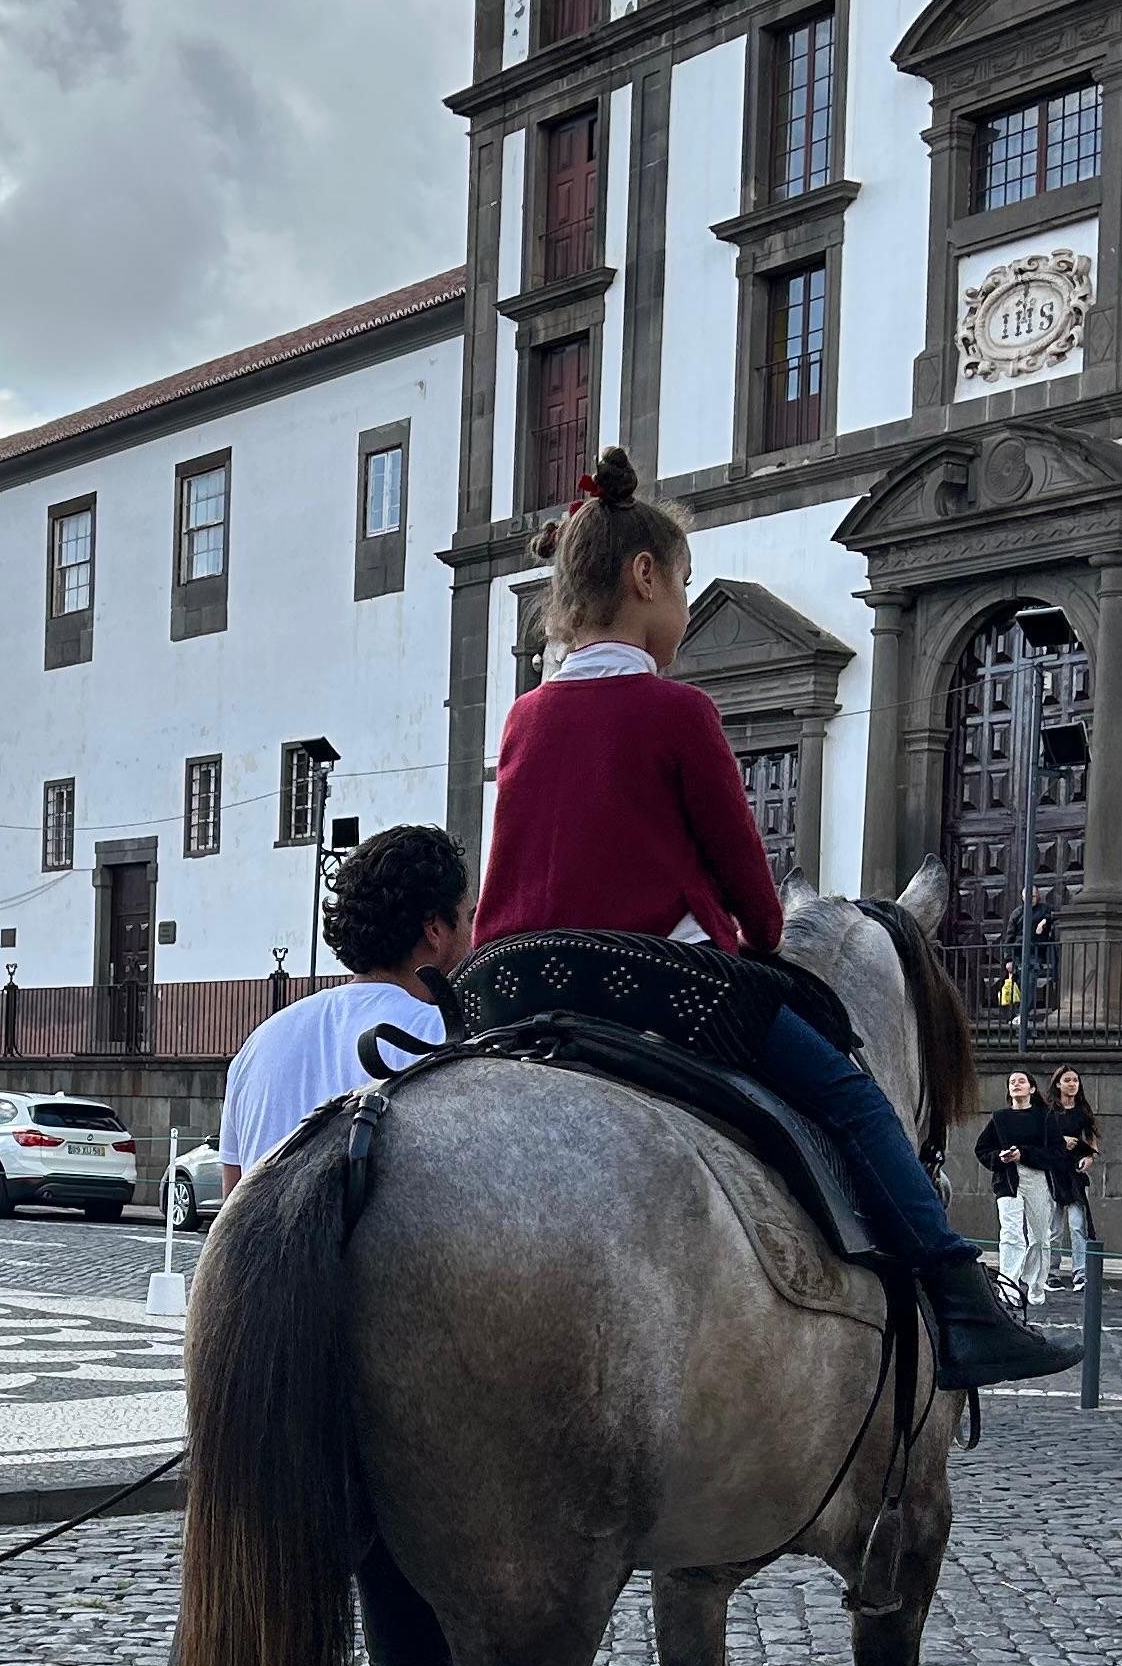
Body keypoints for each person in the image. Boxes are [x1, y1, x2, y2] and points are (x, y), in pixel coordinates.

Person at [470, 448, 1072, 1391]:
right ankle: (960, 1302)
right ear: (644, 578)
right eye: (682, 585)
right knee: (850, 1096)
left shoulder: (523, 717)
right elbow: (753, 894)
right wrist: (756, 947)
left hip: (509, 985)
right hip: (653, 984)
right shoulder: (677, 712)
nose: (682, 609)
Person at [220, 826, 474, 1176]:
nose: (473, 939)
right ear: (434, 927)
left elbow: (232, 1213)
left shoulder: (258, 1046)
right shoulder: (447, 1041)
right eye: (468, 919)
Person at [974, 1070, 1054, 1301]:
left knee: (1040, 1237)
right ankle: (1008, 1286)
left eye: (1021, 1081)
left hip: (1037, 1178)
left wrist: (1024, 1154)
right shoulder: (999, 1118)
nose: (1016, 1084)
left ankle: (1035, 1282)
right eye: (1011, 1082)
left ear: (1032, 1088)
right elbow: (982, 1149)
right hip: (1007, 1180)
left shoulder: (1045, 1117)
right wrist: (999, 1158)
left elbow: (1055, 1153)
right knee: (1010, 1234)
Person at [1044, 1065, 1101, 1285]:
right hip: (1054, 1171)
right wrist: (1062, 1141)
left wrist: (1090, 1158)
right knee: (1054, 1228)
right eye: (1067, 1080)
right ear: (1058, 1083)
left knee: (1078, 1225)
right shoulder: (1049, 1111)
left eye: (1075, 1080)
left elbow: (1092, 1137)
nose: (1072, 1084)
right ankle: (1052, 1272)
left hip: (1075, 1171)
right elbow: (1043, 1138)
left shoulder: (1082, 1111)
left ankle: (1080, 1271)